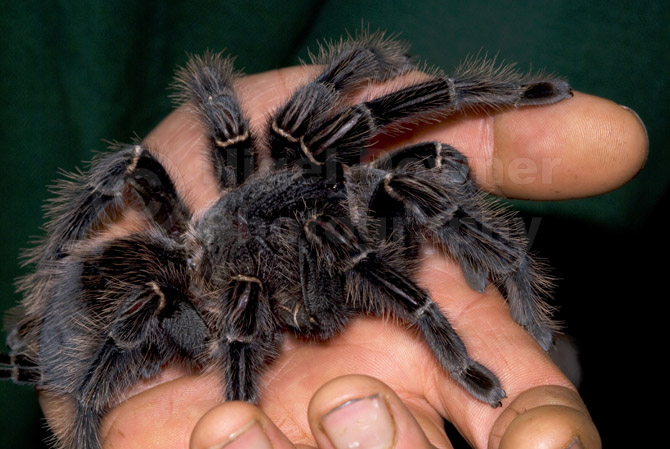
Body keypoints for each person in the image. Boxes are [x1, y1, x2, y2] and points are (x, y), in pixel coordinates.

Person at [38, 63, 647, 449]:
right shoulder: (305, 256)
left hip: (197, 253)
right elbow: (213, 96)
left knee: (385, 164)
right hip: (183, 295)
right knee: (142, 183)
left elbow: (219, 90)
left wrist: (474, 94)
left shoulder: (314, 176)